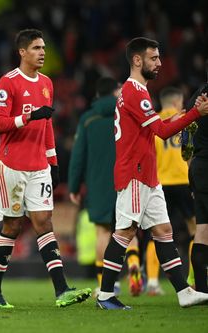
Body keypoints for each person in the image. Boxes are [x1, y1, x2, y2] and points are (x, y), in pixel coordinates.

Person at [96, 37, 208, 310]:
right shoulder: (135, 91)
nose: (159, 63)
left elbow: (151, 127)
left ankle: (183, 292)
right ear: (137, 60)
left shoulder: (136, 92)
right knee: (124, 232)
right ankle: (105, 295)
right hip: (134, 173)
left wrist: (178, 116)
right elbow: (161, 132)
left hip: (148, 174)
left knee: (164, 230)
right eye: (154, 58)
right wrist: (195, 113)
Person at [0, 28, 91, 309]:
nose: (42, 52)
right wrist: (28, 116)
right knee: (12, 225)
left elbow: (47, 128)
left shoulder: (47, 83)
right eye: (36, 48)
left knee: (44, 222)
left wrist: (53, 162)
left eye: (43, 47)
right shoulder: (8, 83)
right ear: (22, 52)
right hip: (11, 166)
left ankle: (61, 290)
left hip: (39, 167)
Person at [68, 77, 120, 295]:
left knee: (102, 232)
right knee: (129, 231)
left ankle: (105, 285)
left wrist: (74, 186)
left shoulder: (88, 119)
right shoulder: (125, 113)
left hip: (97, 183)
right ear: (115, 91)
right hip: (125, 179)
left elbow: (78, 155)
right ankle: (136, 268)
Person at [148, 86, 197, 295]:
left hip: (160, 183)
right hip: (183, 181)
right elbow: (189, 155)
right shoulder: (186, 122)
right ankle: (193, 279)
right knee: (197, 230)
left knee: (156, 233)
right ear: (178, 101)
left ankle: (151, 282)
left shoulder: (153, 124)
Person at [188, 59, 208, 293]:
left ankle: (202, 290)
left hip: (199, 166)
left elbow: (185, 140)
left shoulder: (197, 95)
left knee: (202, 229)